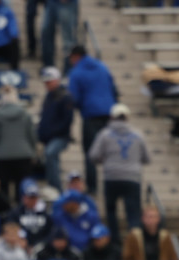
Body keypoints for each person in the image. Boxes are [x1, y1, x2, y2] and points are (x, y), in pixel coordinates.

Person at [89, 103, 149, 243]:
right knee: (133, 214)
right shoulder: (137, 135)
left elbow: (93, 155)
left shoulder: (105, 134)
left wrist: (106, 160)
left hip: (111, 177)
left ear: (112, 117)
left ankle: (115, 241)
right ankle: (135, 243)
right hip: (132, 178)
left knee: (111, 212)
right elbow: (147, 158)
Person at [68, 45, 117, 190]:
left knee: (90, 153)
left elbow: (74, 98)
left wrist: (79, 107)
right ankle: (112, 185)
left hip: (91, 116)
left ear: (75, 56)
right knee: (111, 152)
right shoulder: (102, 67)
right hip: (109, 114)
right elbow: (113, 88)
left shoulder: (76, 72)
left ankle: (92, 186)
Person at [0, 87, 36, 206]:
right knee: (23, 189)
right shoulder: (25, 114)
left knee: (3, 189)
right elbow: (32, 136)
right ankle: (22, 212)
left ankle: (6, 214)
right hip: (23, 155)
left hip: (2, 157)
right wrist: (32, 150)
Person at [37, 67, 74, 191]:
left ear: (57, 80)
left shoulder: (65, 97)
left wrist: (52, 132)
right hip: (48, 137)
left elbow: (67, 121)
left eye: (49, 81)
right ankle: (52, 185)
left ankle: (56, 188)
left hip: (60, 136)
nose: (47, 84)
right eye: (46, 82)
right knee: (51, 159)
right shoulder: (49, 96)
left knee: (50, 154)